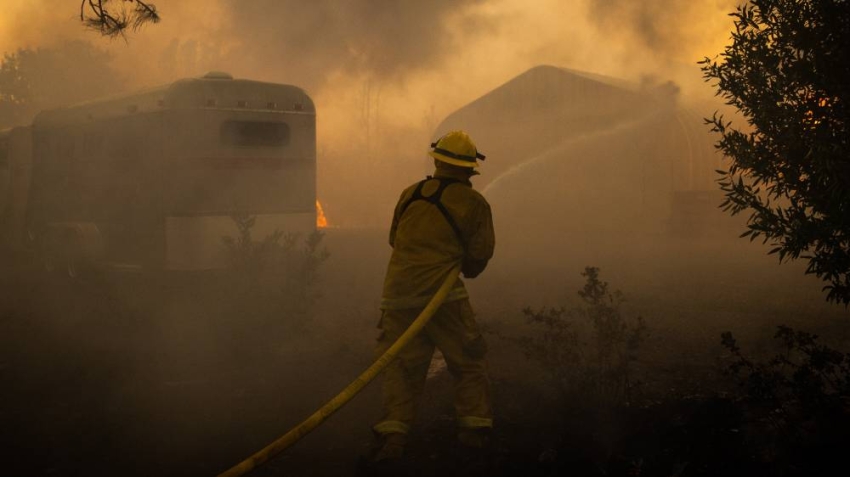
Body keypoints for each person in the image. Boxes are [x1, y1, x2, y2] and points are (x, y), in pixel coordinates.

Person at [371, 130, 495, 462]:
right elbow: (479, 255)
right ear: (470, 169)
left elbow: (396, 239)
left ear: (438, 161)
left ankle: (393, 437)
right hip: (443, 299)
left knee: (400, 366)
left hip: (396, 296)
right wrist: (462, 265)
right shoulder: (474, 203)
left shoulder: (410, 194)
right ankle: (474, 433)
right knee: (468, 360)